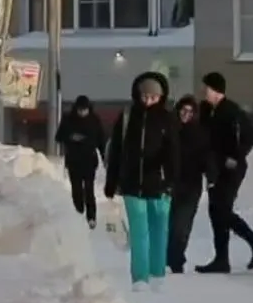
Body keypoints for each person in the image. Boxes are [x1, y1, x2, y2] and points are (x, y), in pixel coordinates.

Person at [103, 72, 180, 291]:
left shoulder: (167, 118)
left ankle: (157, 273)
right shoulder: (127, 117)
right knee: (139, 232)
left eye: (153, 97)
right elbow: (116, 150)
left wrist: (172, 180)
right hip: (131, 184)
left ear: (161, 96)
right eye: (144, 96)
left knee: (159, 229)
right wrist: (112, 182)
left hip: (160, 183)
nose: (148, 101)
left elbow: (174, 152)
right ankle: (140, 277)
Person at [195, 72, 253, 273]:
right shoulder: (207, 111)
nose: (203, 92)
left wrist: (235, 157)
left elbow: (249, 136)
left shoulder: (231, 111)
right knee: (215, 211)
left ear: (216, 90)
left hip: (230, 167)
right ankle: (222, 258)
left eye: (206, 88)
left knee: (222, 209)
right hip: (214, 167)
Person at [167, 95, 215, 274]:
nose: (186, 114)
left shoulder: (200, 134)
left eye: (190, 112)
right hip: (170, 184)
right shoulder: (170, 131)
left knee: (182, 225)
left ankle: (176, 259)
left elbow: (207, 158)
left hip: (191, 186)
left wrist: (211, 177)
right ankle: (169, 256)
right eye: (183, 111)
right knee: (169, 224)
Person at [55, 95, 106, 228]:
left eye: (85, 110)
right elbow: (59, 136)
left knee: (89, 190)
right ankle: (79, 211)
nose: (82, 112)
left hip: (89, 160)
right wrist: (71, 137)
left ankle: (91, 217)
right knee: (76, 189)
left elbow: (101, 140)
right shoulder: (68, 119)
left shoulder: (94, 120)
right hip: (73, 160)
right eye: (80, 110)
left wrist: (105, 156)